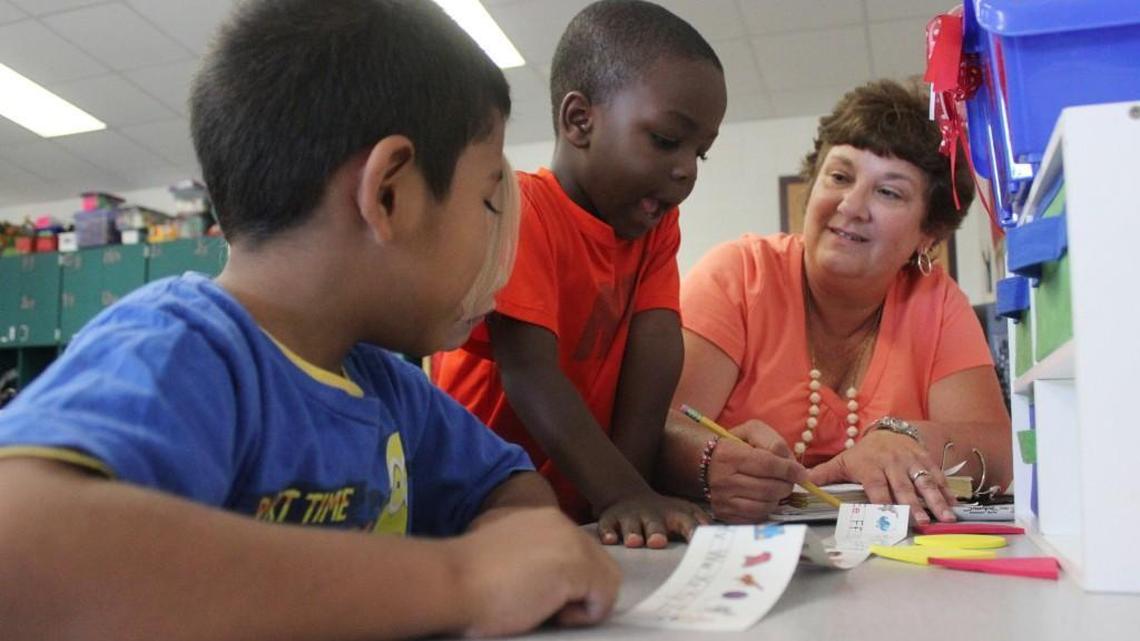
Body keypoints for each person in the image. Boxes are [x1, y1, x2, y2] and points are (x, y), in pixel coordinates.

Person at [0, 1, 619, 639]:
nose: (497, 236)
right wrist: (462, 580)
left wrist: (516, 544)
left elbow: (508, 484)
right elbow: (18, 543)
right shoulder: (184, 349)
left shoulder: (388, 388)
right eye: (489, 199)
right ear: (389, 193)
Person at [433, 0, 727, 548]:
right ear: (579, 121)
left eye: (701, 154)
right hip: (470, 502)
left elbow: (656, 350)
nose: (686, 170)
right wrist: (621, 493)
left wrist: (632, 494)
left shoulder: (654, 228)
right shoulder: (521, 209)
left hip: (577, 505)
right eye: (667, 140)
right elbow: (529, 371)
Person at [658, 79, 1011, 525]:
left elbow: (1001, 456)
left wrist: (904, 438)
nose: (851, 206)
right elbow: (655, 430)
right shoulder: (738, 274)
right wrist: (709, 460)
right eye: (840, 177)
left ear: (929, 233)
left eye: (889, 192)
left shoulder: (937, 303)